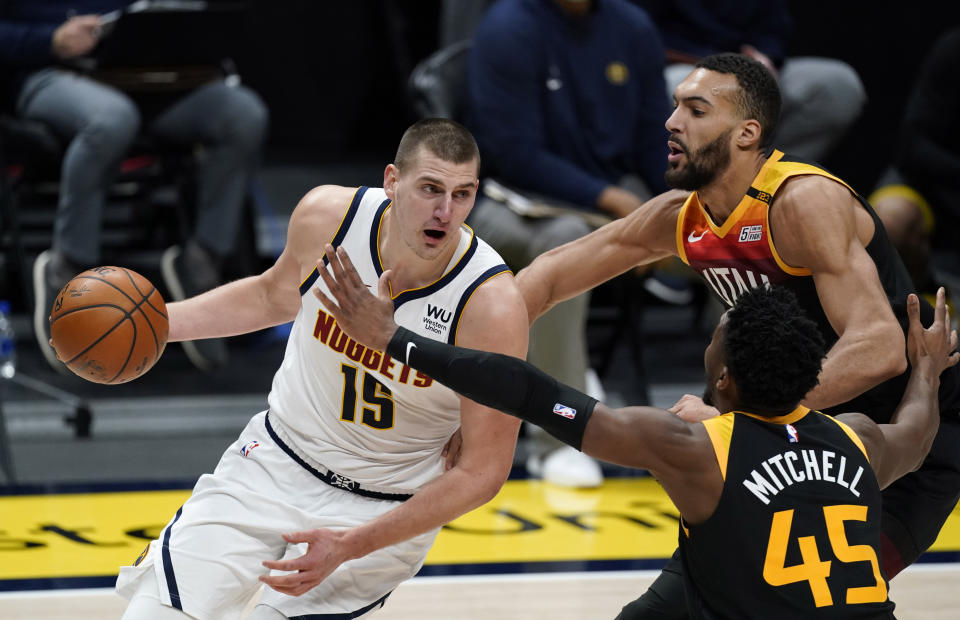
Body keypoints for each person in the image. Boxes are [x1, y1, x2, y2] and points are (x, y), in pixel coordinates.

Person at [503, 52, 960, 618]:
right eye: (675, 107)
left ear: (748, 133)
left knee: (788, 604)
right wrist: (459, 368)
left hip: (901, 443)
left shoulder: (801, 201)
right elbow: (546, 278)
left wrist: (739, 428)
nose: (672, 121)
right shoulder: (684, 215)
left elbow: (878, 347)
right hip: (790, 439)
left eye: (696, 109)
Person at [315, 246, 958, 618]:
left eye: (715, 338)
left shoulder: (695, 449)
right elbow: (918, 431)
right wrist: (926, 368)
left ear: (726, 379)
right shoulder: (858, 440)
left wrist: (396, 340)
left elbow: (534, 393)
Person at [112, 118, 529, 619]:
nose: (445, 211)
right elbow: (271, 296)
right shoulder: (331, 217)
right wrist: (154, 326)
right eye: (430, 189)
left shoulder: (490, 305)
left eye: (462, 195)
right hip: (274, 462)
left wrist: (352, 544)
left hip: (383, 503)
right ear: (392, 181)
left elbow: (483, 471)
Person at [466, 0, 672, 487]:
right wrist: (619, 205)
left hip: (611, 200)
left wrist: (679, 209)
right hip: (509, 202)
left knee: (732, 232)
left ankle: (744, 419)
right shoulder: (508, 28)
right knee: (566, 242)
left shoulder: (633, 25)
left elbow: (652, 139)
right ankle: (556, 438)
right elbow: (513, 153)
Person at [0, 1, 268, 373]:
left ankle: (201, 262)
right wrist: (50, 40)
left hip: (150, 81)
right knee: (112, 120)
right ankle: (67, 270)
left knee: (242, 113)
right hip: (50, 73)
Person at [633, 0, 866, 163]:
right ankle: (685, 193)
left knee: (837, 85)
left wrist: (764, 57)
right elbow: (638, 30)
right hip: (681, 65)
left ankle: (763, 183)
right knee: (679, 92)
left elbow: (774, 27)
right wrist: (715, 65)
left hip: (746, 67)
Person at [869, 27, 960, 304]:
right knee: (889, 222)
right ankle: (922, 300)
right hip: (933, 184)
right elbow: (913, 144)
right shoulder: (953, 49)